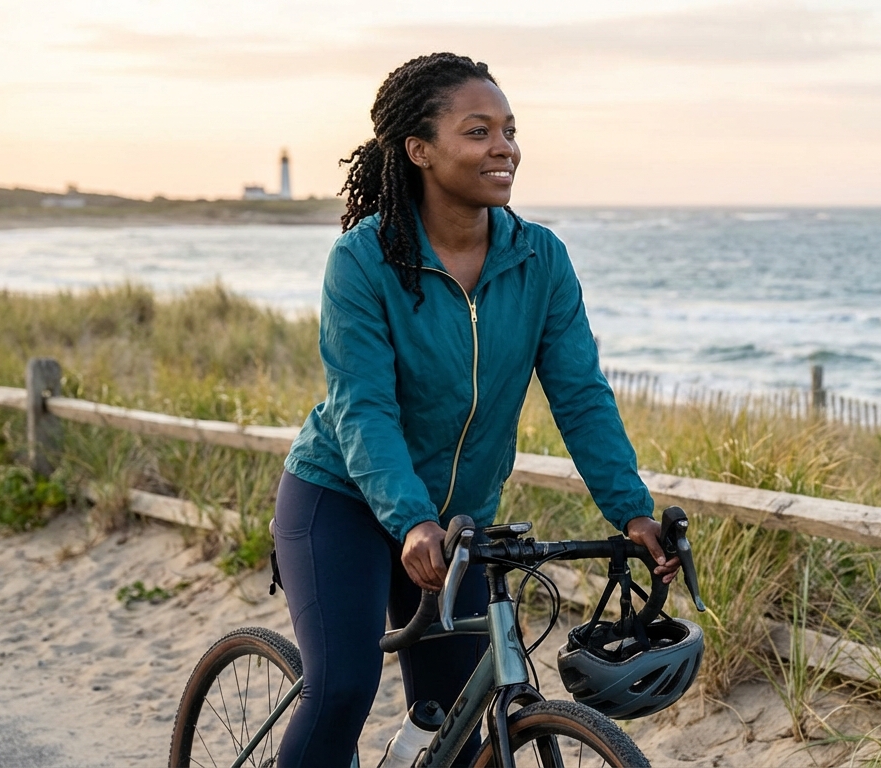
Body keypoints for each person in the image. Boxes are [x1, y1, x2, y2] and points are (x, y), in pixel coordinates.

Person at [271, 53, 678, 767]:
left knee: (461, 724)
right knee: (340, 690)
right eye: (479, 131)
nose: (505, 148)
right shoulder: (364, 262)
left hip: (457, 521)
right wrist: (410, 519)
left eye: (510, 131)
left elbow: (579, 394)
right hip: (340, 499)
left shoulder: (540, 260)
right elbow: (362, 411)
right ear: (420, 150)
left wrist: (632, 512)